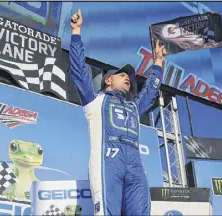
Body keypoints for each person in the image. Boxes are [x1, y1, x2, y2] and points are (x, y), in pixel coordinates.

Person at [69, 9, 166, 216]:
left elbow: (150, 91)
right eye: (122, 75)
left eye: (129, 77)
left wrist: (158, 62)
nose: (128, 78)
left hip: (135, 167)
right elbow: (79, 71)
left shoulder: (134, 106)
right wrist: (76, 32)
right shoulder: (95, 100)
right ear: (108, 80)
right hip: (108, 163)